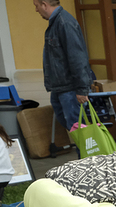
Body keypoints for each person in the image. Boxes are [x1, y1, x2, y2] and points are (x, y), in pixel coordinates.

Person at [33, 0, 92, 135]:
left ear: (44, 4)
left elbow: (77, 58)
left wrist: (81, 89)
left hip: (69, 88)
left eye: (36, 6)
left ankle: (86, 149)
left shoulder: (64, 23)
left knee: (78, 129)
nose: (36, 10)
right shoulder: (57, 22)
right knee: (73, 127)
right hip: (60, 87)